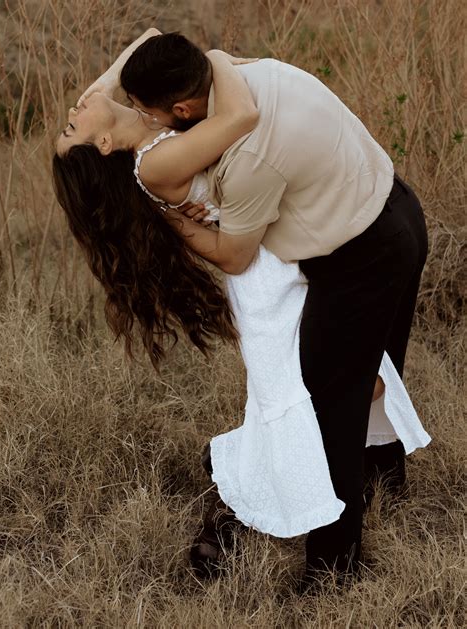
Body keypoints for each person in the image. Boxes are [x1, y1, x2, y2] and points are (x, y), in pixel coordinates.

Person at [54, 30, 430, 587]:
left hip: (370, 235)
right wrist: (216, 58)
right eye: (70, 123)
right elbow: (234, 249)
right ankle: (353, 530)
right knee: (339, 389)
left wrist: (117, 95)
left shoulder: (161, 115)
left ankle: (349, 535)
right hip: (377, 222)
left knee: (339, 391)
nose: (75, 105)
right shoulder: (224, 112)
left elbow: (146, 46)